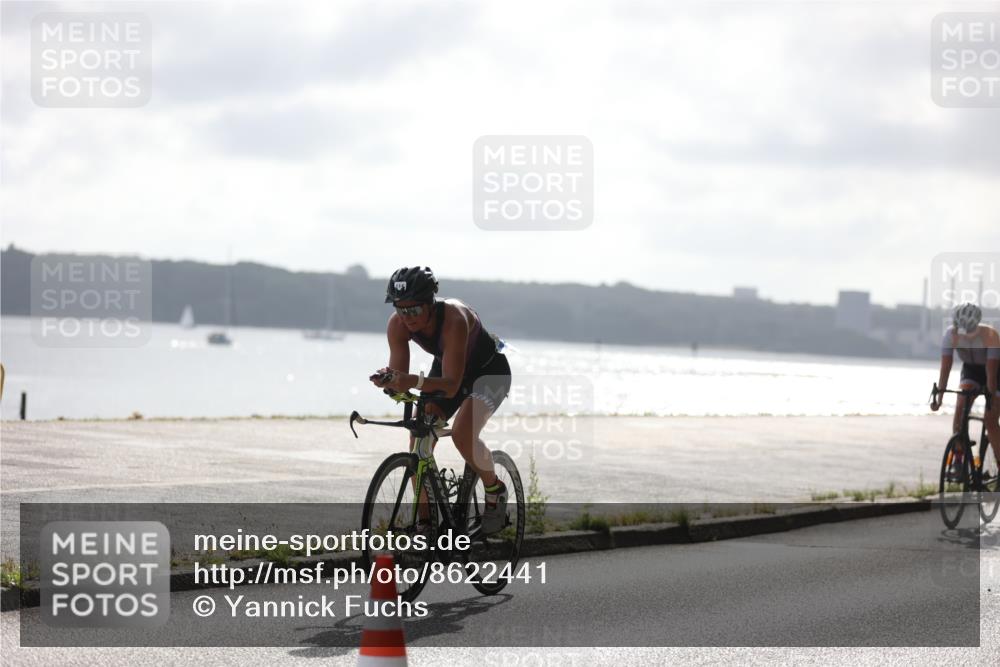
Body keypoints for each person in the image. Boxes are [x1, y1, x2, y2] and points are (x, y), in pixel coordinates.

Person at [371, 266, 512, 533]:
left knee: (462, 433)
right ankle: (427, 523)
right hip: (449, 368)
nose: (407, 317)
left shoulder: (454, 319)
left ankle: (495, 489)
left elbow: (451, 386)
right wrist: (390, 383)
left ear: (430, 304)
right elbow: (401, 381)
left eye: (413, 310)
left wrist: (410, 380)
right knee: (418, 438)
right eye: (401, 309)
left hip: (489, 374)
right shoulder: (397, 325)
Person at [931, 302, 1000, 470]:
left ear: (977, 326)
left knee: (990, 421)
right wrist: (939, 397)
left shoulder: (990, 335)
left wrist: (990, 397)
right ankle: (959, 457)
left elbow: (991, 375)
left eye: (970, 331)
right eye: (961, 330)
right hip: (971, 370)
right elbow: (945, 368)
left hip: (995, 372)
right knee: (961, 405)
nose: (965, 335)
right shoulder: (950, 335)